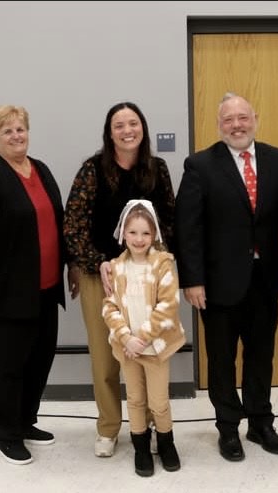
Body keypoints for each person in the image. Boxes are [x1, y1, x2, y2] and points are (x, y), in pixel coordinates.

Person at [175, 93, 278, 462]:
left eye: (243, 117)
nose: (237, 125)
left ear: (255, 118)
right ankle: (228, 428)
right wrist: (192, 280)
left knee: (261, 356)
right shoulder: (200, 166)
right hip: (217, 283)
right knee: (222, 360)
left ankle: (260, 423)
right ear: (219, 125)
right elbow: (187, 229)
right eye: (229, 120)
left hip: (266, 279)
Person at [0, 104, 73, 465]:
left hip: (43, 291)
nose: (16, 136)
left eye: (20, 129)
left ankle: (24, 422)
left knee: (38, 360)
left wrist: (73, 270)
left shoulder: (41, 170)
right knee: (3, 366)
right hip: (2, 295)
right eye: (7, 131)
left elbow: (58, 222)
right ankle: (5, 434)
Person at [64, 102, 176, 458]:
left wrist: (160, 264)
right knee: (106, 357)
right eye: (119, 125)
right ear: (109, 133)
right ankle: (109, 427)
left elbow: (170, 220)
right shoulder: (92, 170)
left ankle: (157, 426)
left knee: (151, 350)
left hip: (148, 276)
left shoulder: (157, 169)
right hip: (105, 275)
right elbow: (73, 224)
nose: (127, 130)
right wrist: (97, 263)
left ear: (142, 127)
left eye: (133, 123)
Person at [102, 200, 185, 477]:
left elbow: (168, 305)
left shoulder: (163, 264)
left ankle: (166, 443)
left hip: (154, 348)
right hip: (129, 349)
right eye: (133, 232)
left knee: (158, 401)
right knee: (135, 400)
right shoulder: (116, 267)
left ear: (155, 235)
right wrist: (127, 338)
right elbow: (109, 306)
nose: (139, 239)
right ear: (123, 233)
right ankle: (140, 446)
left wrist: (143, 338)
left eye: (146, 233)